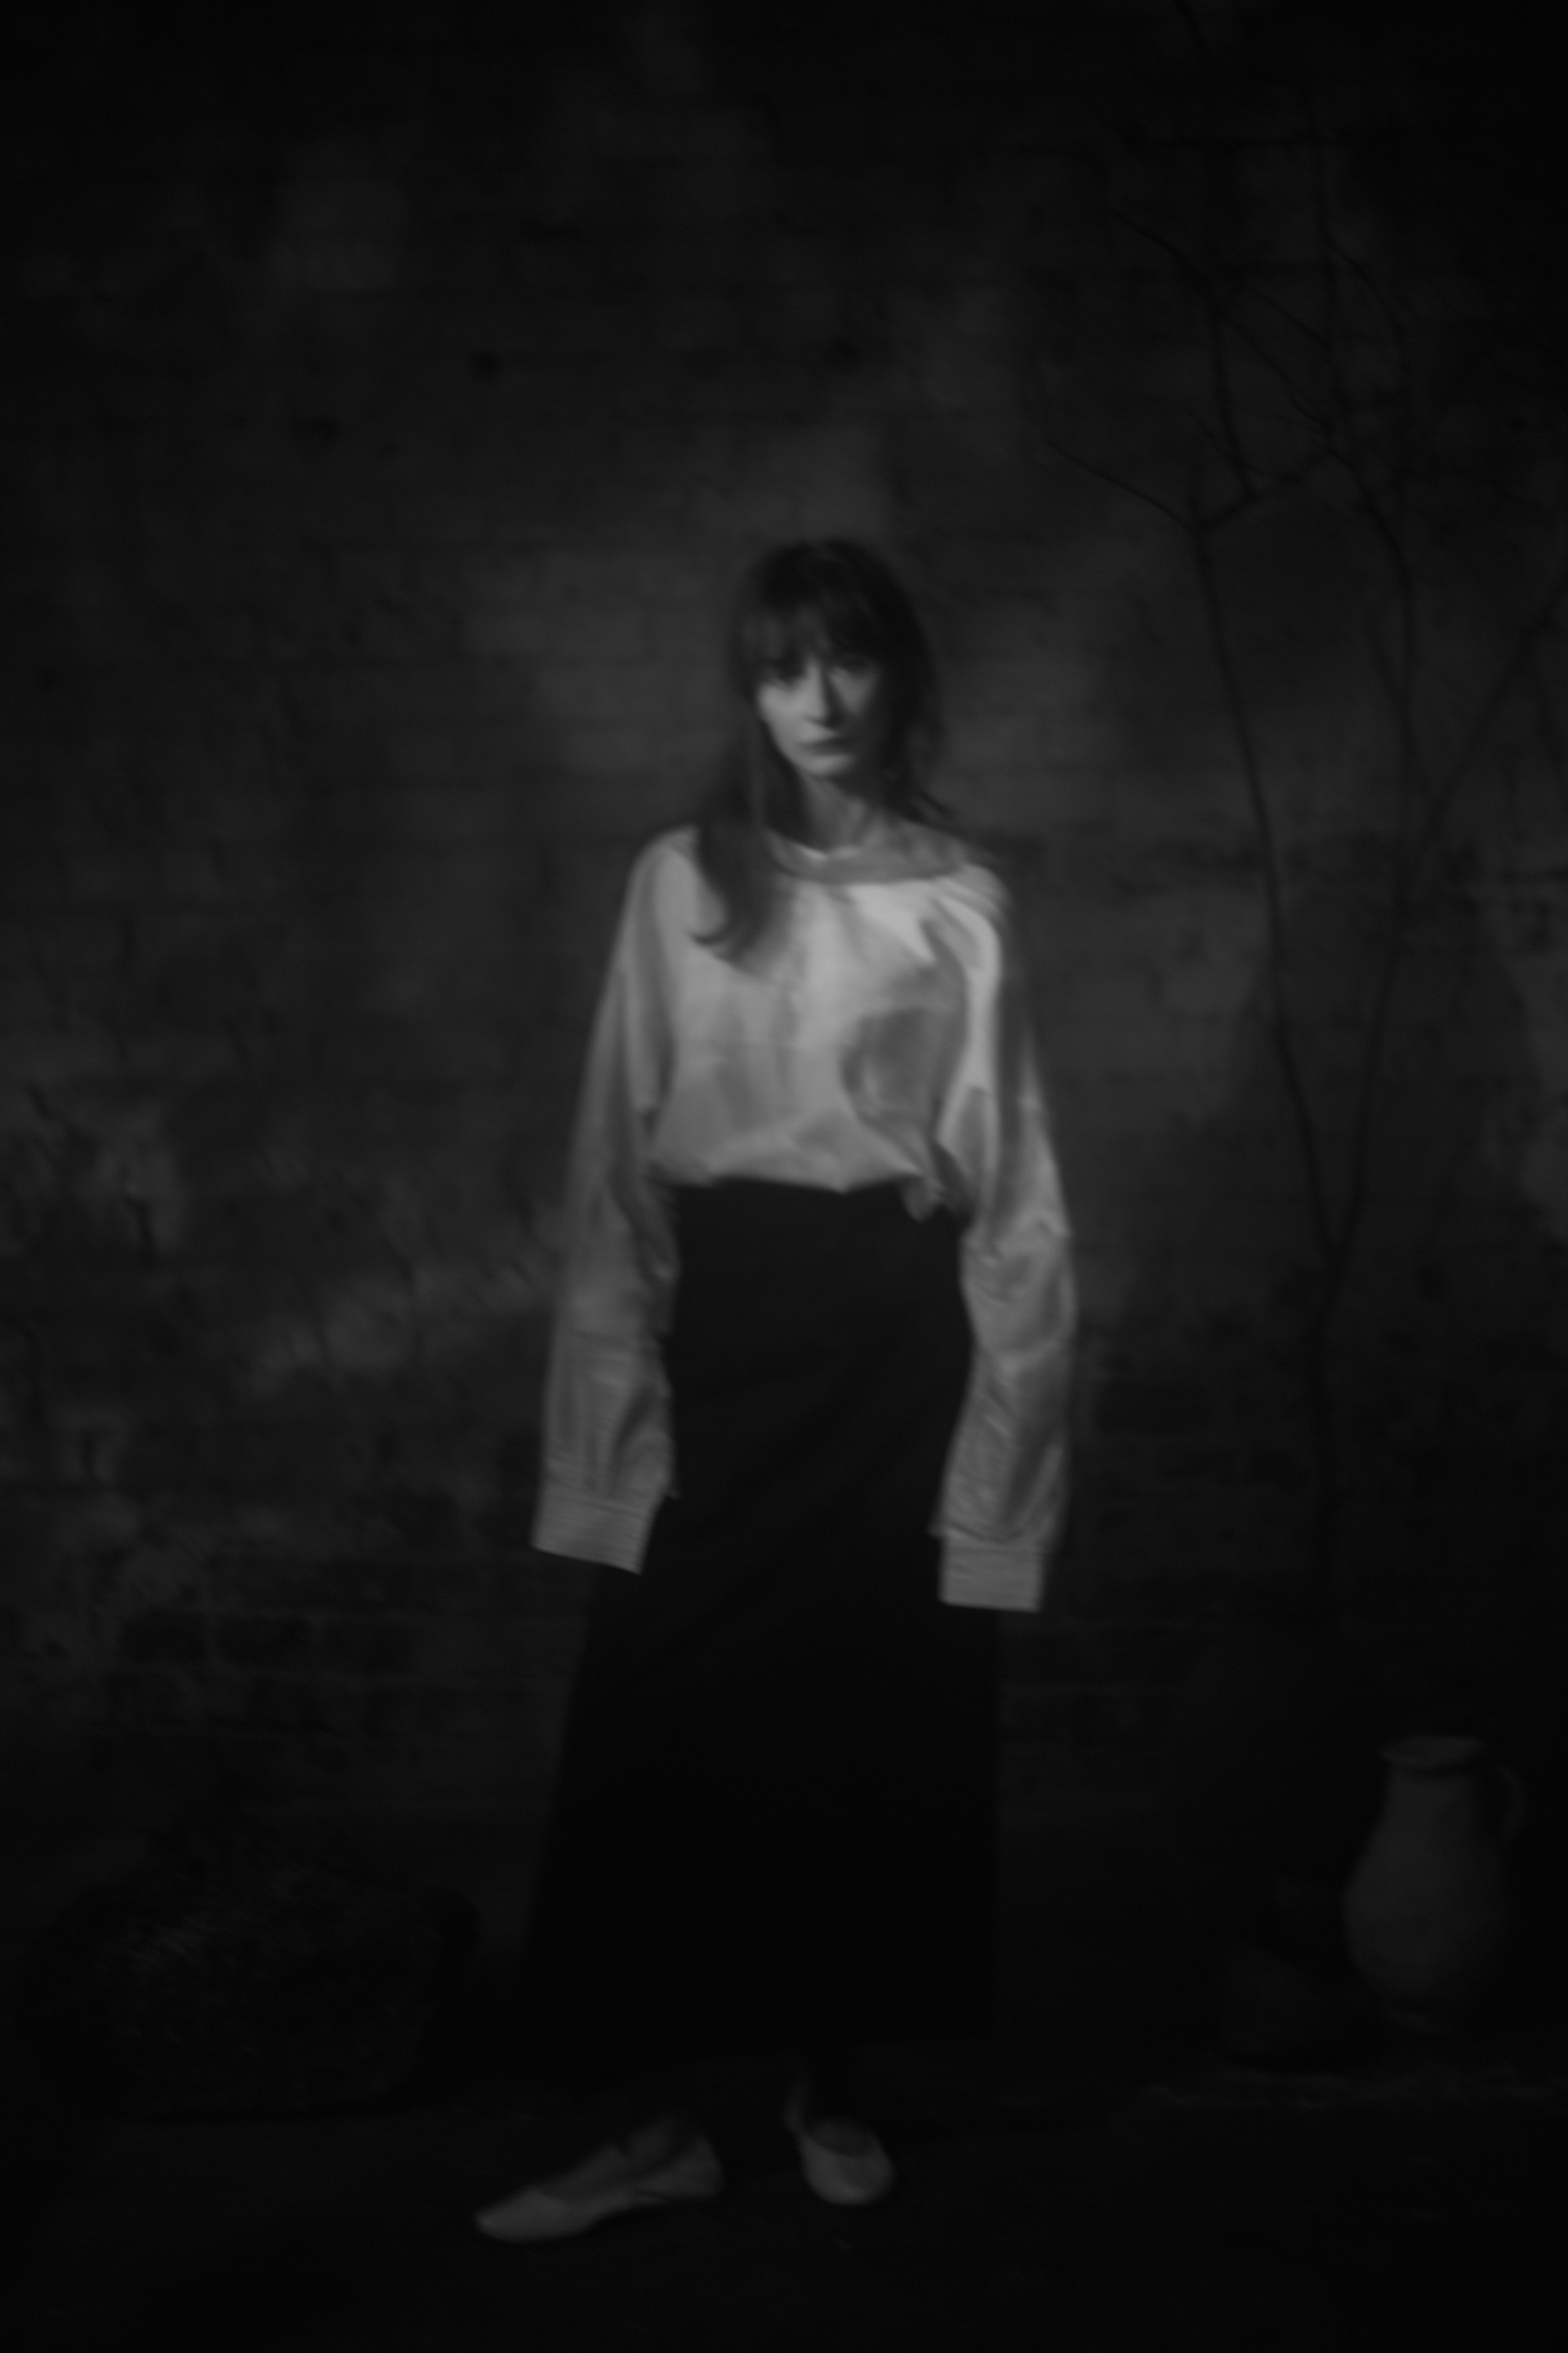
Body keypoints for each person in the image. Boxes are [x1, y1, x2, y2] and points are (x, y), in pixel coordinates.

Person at [475, 538, 1075, 2244]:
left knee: (869, 1719)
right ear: (750, 688)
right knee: (662, 1719)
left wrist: (1006, 1470)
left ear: (901, 676)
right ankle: (657, 2121)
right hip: (730, 1333)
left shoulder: (961, 898)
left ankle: (829, 2082)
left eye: (847, 659)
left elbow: (1015, 1184)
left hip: (896, 1346)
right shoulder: (681, 879)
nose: (817, 698)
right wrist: (613, 1431)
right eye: (782, 666)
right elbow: (616, 1157)